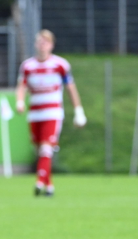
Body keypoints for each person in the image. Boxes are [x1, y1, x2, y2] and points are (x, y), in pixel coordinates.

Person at [15, 29, 86, 196]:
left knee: (47, 148)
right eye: (40, 42)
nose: (42, 45)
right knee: (40, 150)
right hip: (35, 113)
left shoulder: (60, 65)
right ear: (35, 44)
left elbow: (71, 88)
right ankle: (49, 186)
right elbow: (21, 87)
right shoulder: (27, 66)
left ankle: (39, 182)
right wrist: (19, 101)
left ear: (52, 45)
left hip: (53, 112)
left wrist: (78, 110)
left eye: (46, 42)